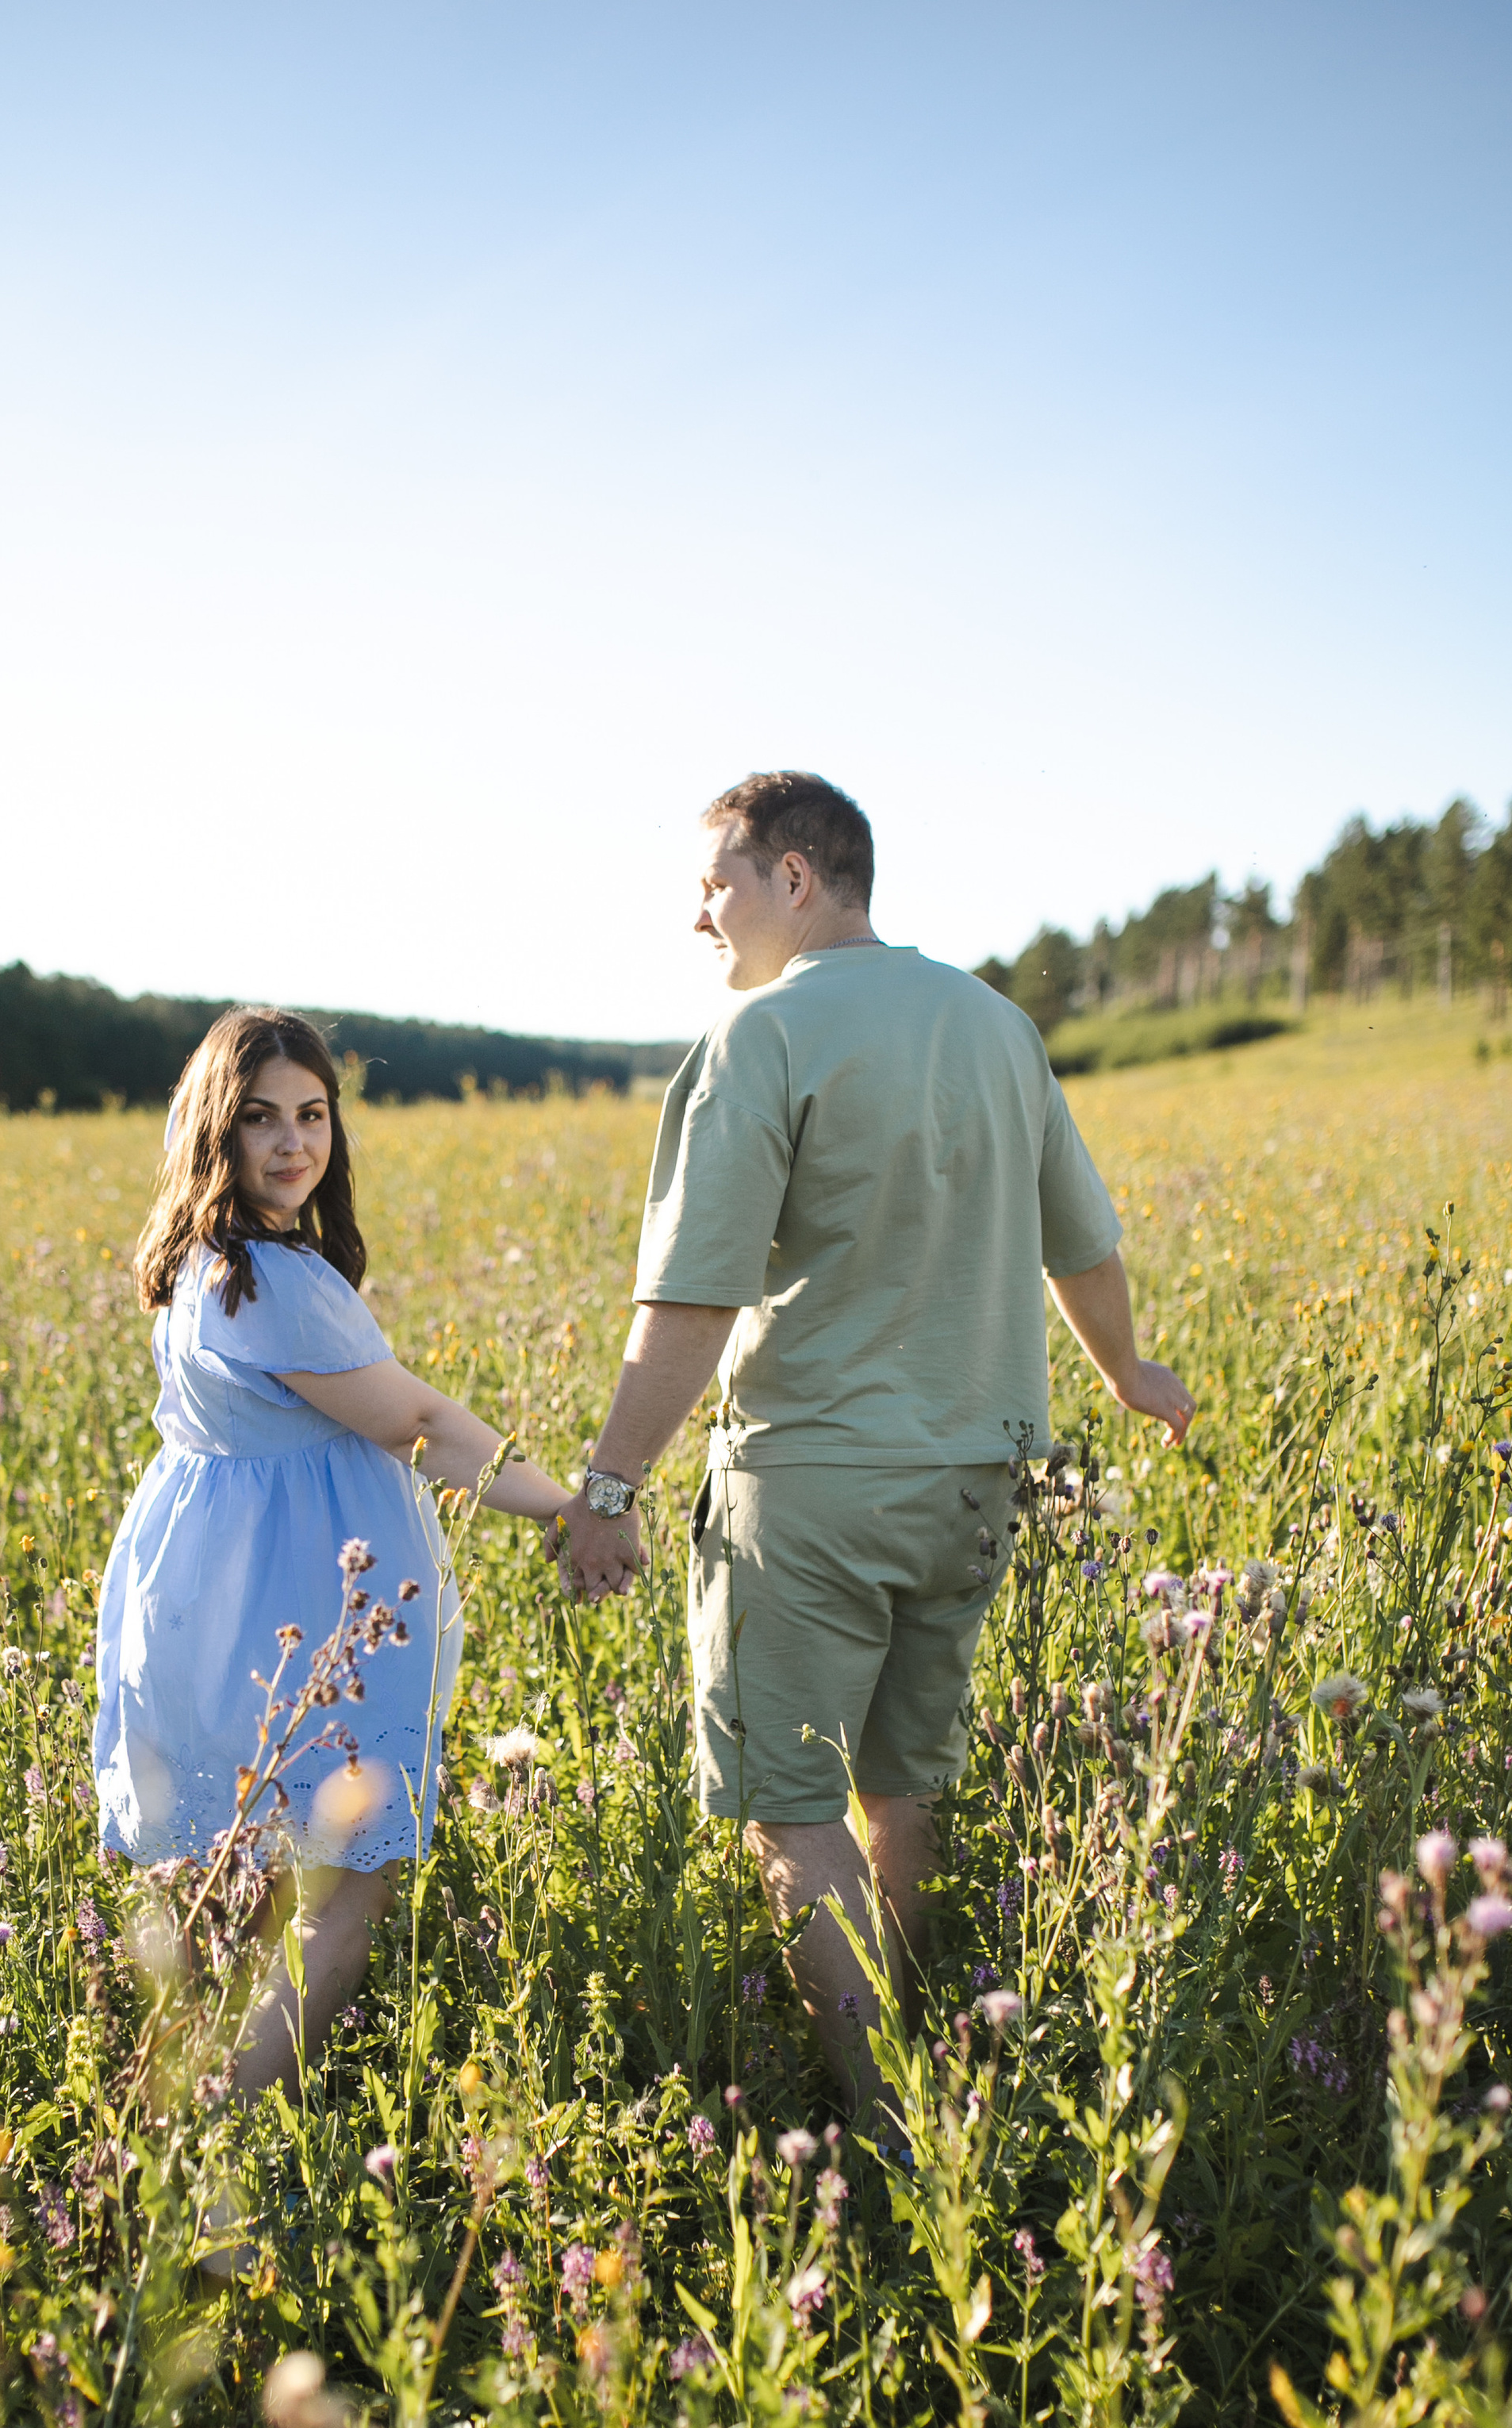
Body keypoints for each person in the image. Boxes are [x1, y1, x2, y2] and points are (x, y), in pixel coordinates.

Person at [550, 771, 1194, 2130]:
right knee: (900, 1786)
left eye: (715, 884)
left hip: (811, 1486)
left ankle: (888, 2123)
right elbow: (1081, 1238)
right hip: (977, 1479)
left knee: (793, 1812)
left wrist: (609, 1485)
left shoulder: (760, 1036)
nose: (699, 917)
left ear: (795, 878)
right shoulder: (997, 1025)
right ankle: (915, 2053)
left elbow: (695, 1293)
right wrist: (1126, 1374)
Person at [94, 1006, 570, 2096]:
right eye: (259, 1119)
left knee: (246, 1902)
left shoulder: (198, 1268)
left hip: (214, 1607)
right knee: (345, 1897)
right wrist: (562, 1507)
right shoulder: (271, 1281)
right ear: (213, 1131)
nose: (293, 1143)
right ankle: (205, 2135)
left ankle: (156, 2125)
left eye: (312, 1115)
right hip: (301, 1618)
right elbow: (423, 1427)